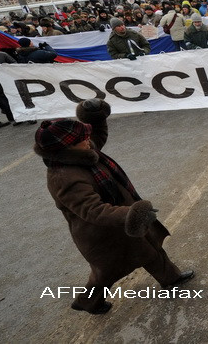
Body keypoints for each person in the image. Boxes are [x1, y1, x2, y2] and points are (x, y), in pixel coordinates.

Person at [35, 98, 194, 315]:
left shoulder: (82, 152)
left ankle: (171, 279)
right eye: (82, 139)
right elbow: (93, 211)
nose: (88, 141)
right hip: (103, 233)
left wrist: (96, 116)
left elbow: (96, 136)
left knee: (151, 250)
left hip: (122, 220)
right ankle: (88, 302)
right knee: (105, 273)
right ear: (66, 149)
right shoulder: (64, 178)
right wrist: (132, 214)